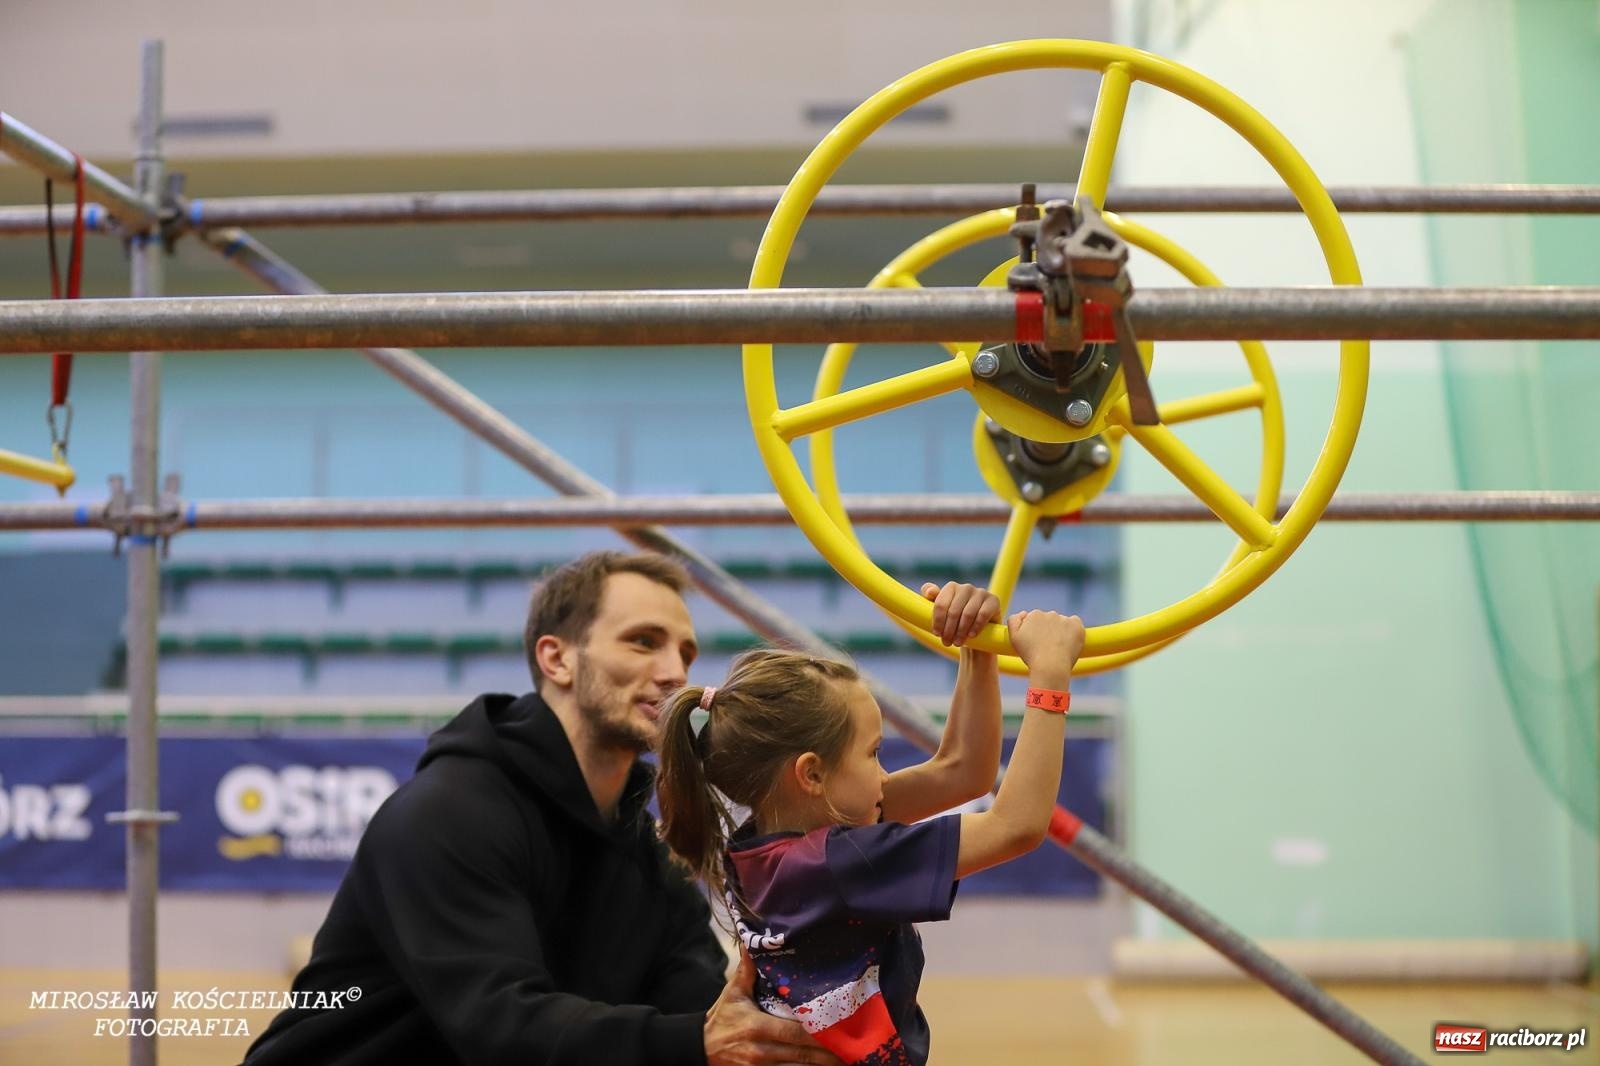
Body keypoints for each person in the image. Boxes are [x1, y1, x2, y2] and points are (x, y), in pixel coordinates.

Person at [243, 550, 841, 1066]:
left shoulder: (644, 844)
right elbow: (499, 1026)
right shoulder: (448, 813)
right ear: (557, 660)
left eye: (685, 653)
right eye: (643, 642)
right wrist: (696, 1042)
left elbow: (703, 1006)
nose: (674, 673)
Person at [655, 583, 1085, 1066]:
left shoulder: (763, 844)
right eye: (873, 752)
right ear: (811, 774)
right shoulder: (839, 863)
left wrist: (977, 649)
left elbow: (963, 771)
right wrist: (1051, 674)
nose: (883, 774)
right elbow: (1017, 826)